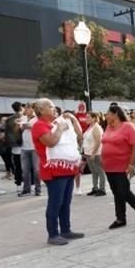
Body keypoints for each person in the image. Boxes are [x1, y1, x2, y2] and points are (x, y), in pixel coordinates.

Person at [31, 99, 84, 246]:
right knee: (56, 203)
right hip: (53, 171)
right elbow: (51, 142)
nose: (54, 109)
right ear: (41, 110)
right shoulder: (39, 125)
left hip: (66, 168)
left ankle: (66, 230)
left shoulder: (53, 124)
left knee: (65, 202)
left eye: (54, 106)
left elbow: (78, 136)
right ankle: (53, 234)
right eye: (50, 106)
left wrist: (72, 119)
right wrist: (61, 128)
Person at [102, 105, 135, 229]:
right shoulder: (108, 127)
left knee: (124, 192)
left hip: (122, 166)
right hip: (108, 166)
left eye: (108, 114)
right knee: (117, 193)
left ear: (116, 114)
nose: (106, 116)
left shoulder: (128, 127)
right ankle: (120, 218)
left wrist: (132, 165)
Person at [17, 102, 41, 197]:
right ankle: (26, 189)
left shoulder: (37, 119)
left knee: (36, 170)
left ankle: (38, 189)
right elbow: (20, 129)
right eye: (25, 108)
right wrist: (19, 125)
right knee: (25, 170)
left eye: (28, 108)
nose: (26, 110)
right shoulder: (23, 118)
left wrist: (26, 125)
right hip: (24, 147)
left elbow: (35, 127)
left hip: (35, 147)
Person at [83, 112, 107, 196]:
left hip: (96, 153)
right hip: (88, 152)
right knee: (93, 171)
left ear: (94, 118)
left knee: (99, 171)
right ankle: (95, 188)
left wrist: (93, 153)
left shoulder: (96, 128)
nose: (86, 119)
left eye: (88, 117)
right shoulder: (90, 127)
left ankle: (102, 189)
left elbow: (98, 141)